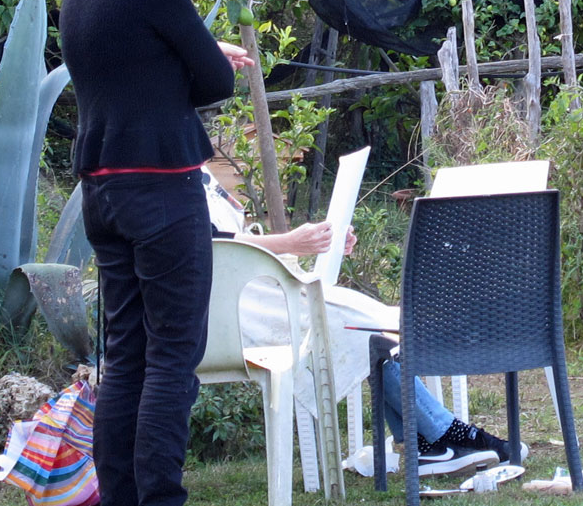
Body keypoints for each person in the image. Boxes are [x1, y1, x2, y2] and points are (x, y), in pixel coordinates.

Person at [62, 0, 249, 506]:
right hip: (162, 188)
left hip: (102, 192)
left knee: (127, 354)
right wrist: (209, 53)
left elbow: (130, 76)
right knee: (173, 354)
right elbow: (216, 81)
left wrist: (192, 53)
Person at [199, 165, 520, 476]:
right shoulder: (174, 172)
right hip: (228, 317)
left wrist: (318, 243)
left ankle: (432, 441)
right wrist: (290, 243)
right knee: (358, 327)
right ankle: (443, 435)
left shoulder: (197, 166)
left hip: (257, 295)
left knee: (365, 322)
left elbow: (233, 242)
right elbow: (205, 243)